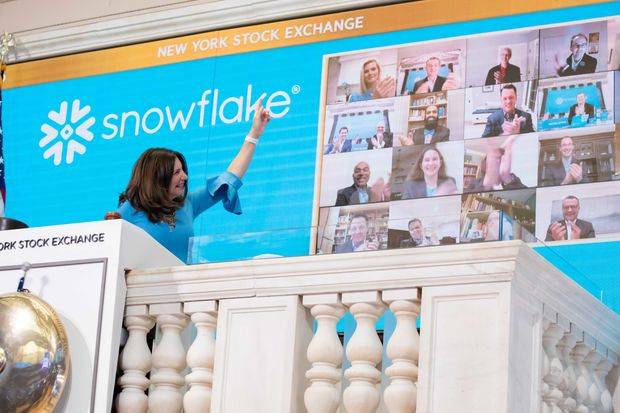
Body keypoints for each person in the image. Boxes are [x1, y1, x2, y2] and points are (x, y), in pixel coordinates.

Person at [117, 100, 271, 262]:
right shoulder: (130, 208)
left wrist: (254, 134)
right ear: (158, 178)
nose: (185, 176)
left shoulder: (188, 204)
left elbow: (229, 178)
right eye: (177, 172)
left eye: (183, 170)